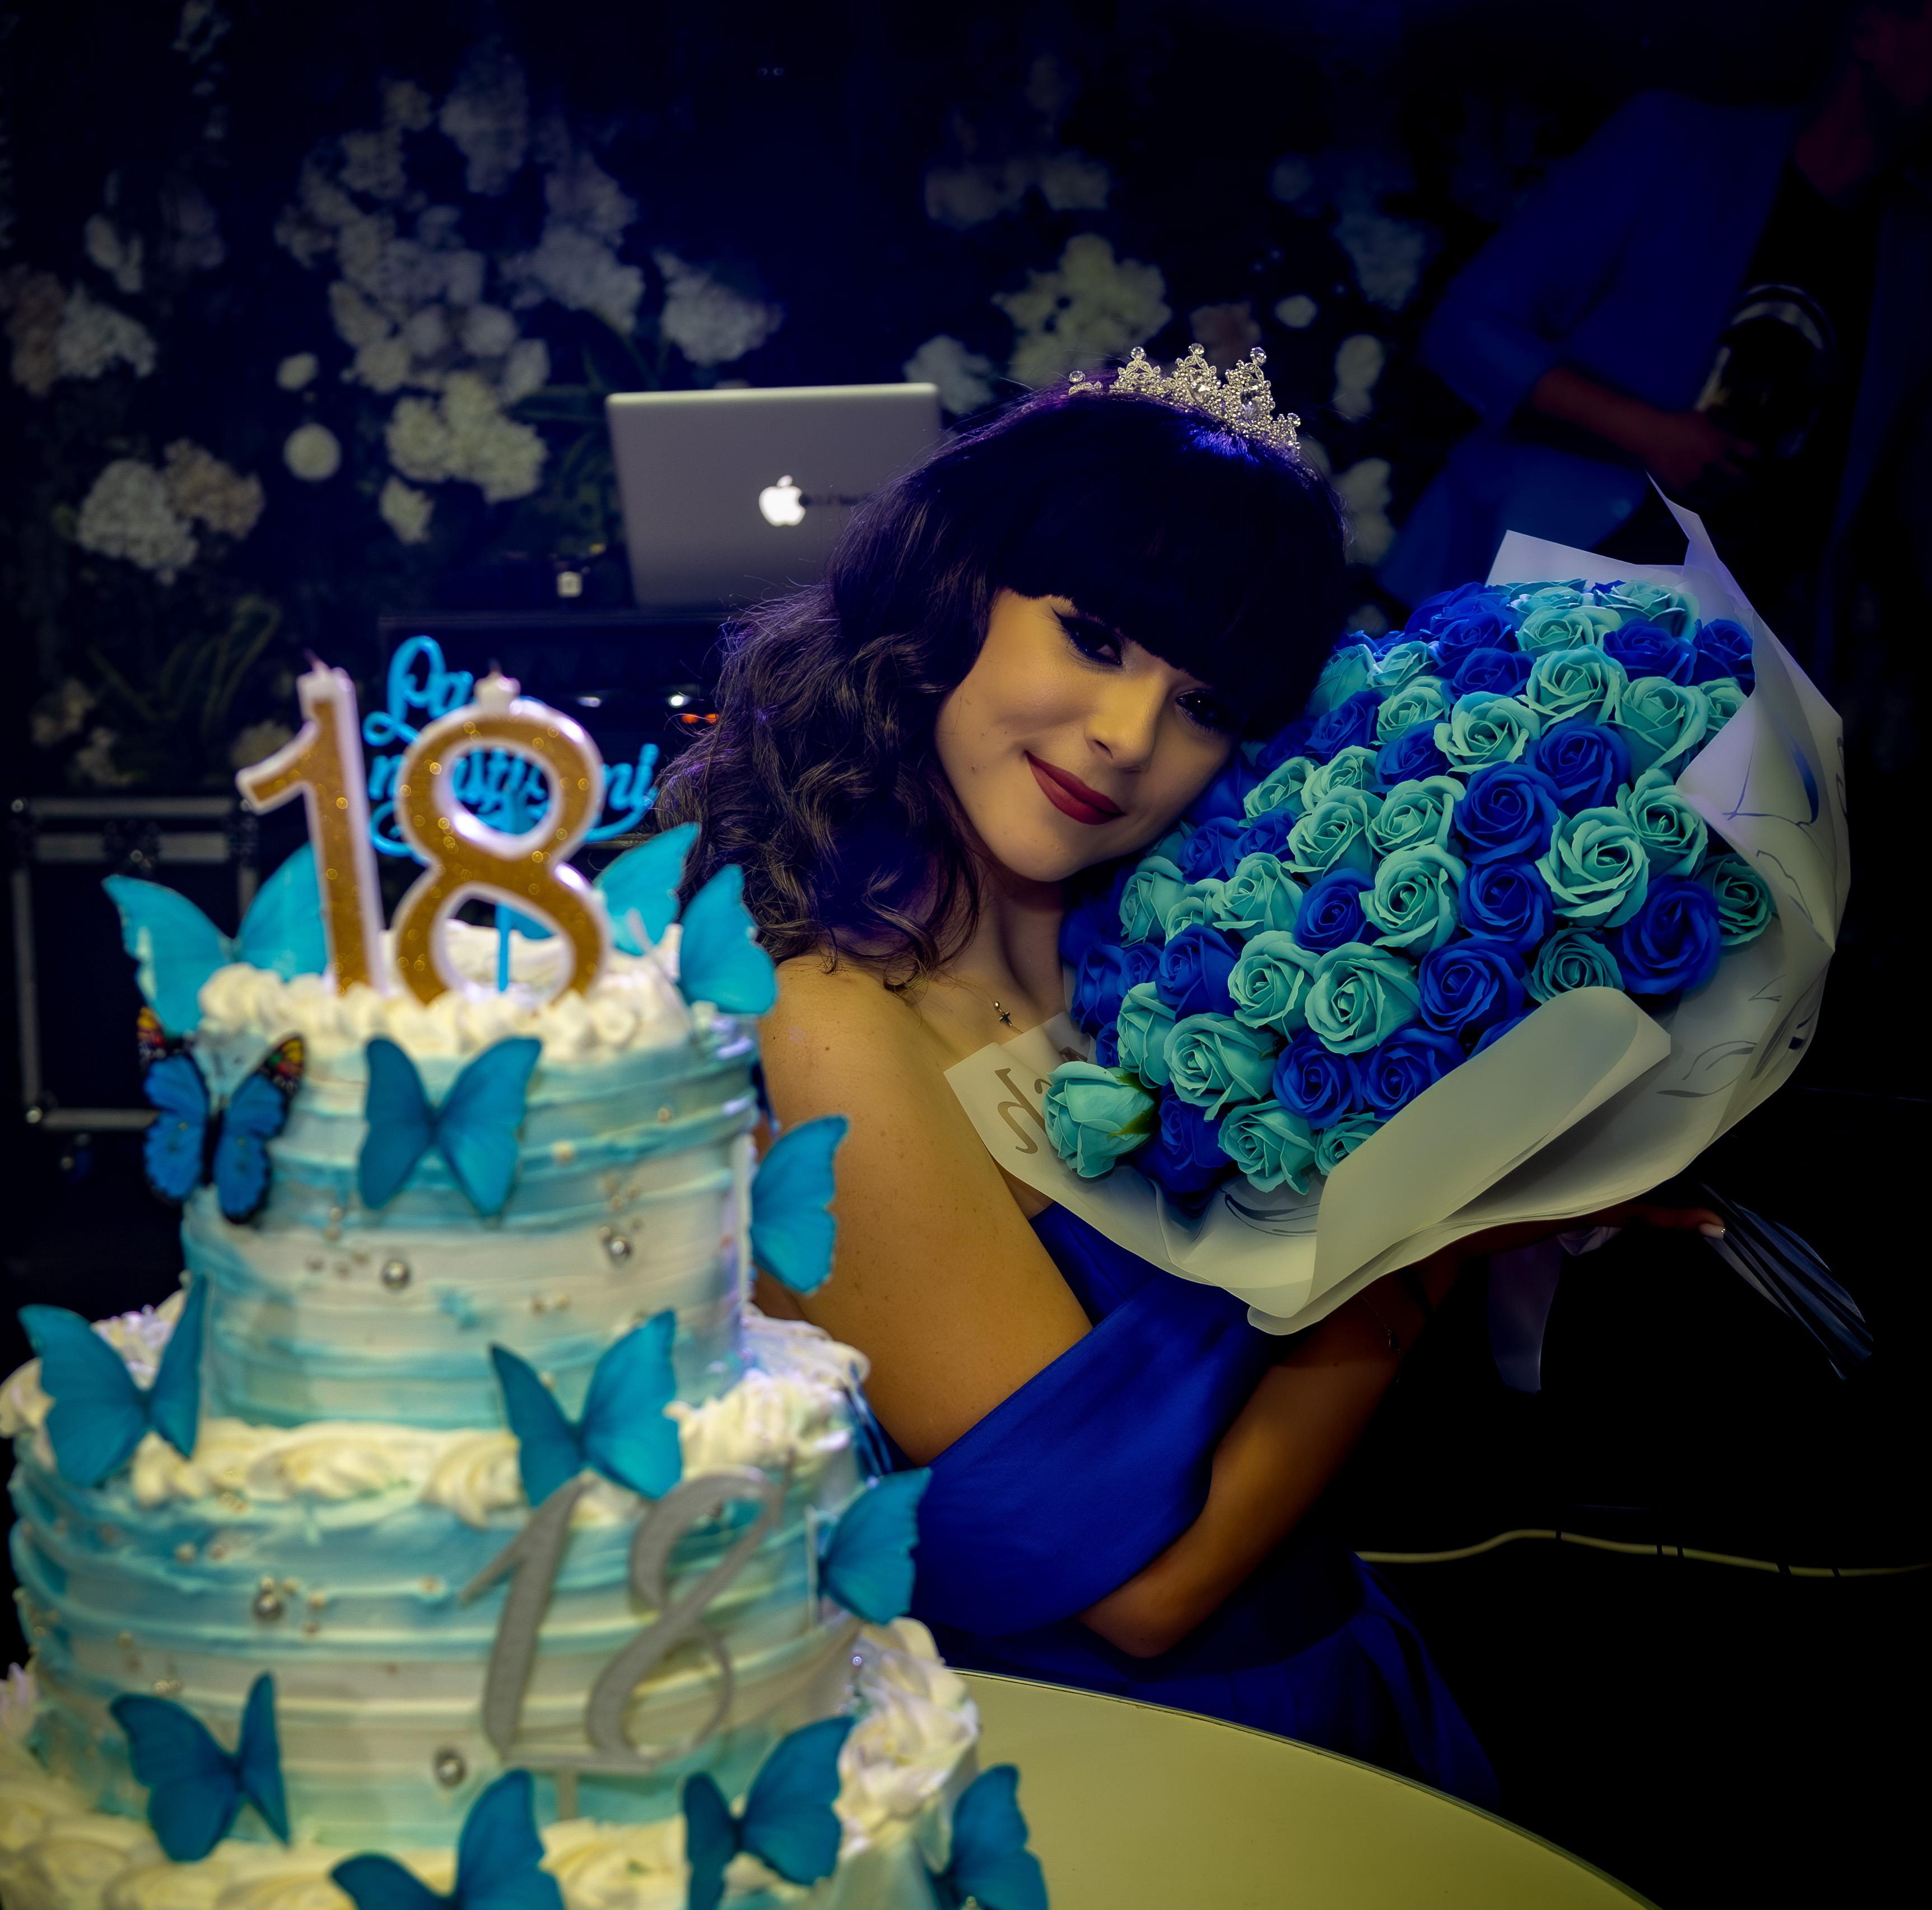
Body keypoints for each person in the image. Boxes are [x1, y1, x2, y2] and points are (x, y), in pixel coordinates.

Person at [659, 384, 1712, 1806]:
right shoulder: (831, 1020)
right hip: (1108, 1776)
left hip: (1339, 1682)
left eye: (1203, 702)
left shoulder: (1177, 955)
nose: (1125, 733)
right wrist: (1455, 1229)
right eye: (1091, 636)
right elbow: (1143, 1595)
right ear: (950, 590)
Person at [1381, 0, 1932, 675]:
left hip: (1742, 660)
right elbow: (1463, 326)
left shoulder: (1915, 253)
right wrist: (1649, 435)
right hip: (1531, 605)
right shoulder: (1676, 144)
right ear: (1873, 28)